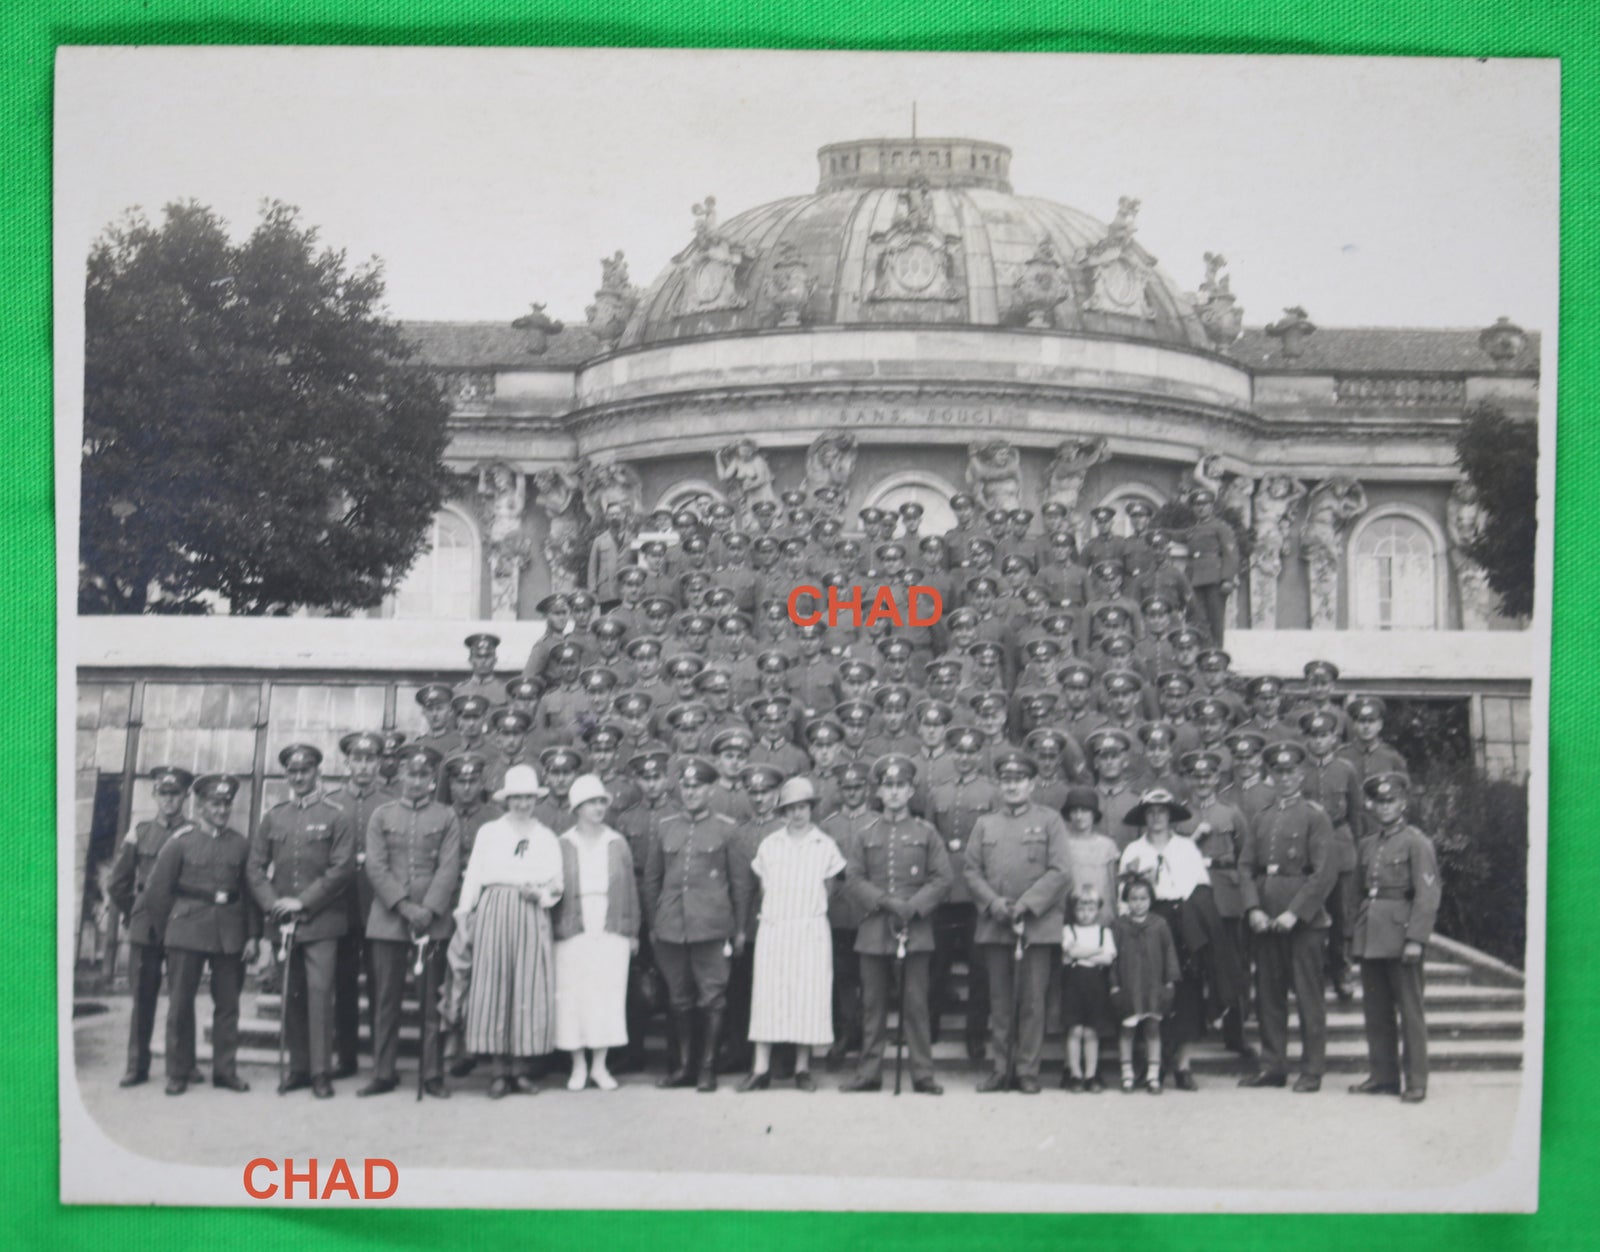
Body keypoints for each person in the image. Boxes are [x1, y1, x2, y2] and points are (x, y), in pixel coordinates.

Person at [136, 773, 259, 1096]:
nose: (221, 810)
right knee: (179, 1005)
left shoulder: (240, 844)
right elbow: (156, 892)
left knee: (228, 1006)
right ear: (200, 805)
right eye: (214, 804)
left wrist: (252, 936)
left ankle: (225, 1071)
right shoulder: (180, 842)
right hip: (186, 930)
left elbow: (250, 893)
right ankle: (177, 1072)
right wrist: (170, 930)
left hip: (229, 932)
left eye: (226, 804)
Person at [247, 744, 357, 1099]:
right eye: (292, 771)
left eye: (305, 770)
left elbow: (341, 869)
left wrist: (302, 901)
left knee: (320, 994)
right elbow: (255, 867)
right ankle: (298, 1068)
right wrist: (273, 903)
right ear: (286, 775)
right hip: (283, 921)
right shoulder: (274, 816)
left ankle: (321, 1072)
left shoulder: (337, 815)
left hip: (321, 921)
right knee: (291, 994)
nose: (298, 777)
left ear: (317, 772)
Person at [840, 754, 953, 1095]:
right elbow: (853, 878)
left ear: (910, 791)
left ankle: (922, 1073)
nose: (893, 793)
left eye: (900, 786)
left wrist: (913, 907)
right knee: (872, 1004)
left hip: (913, 927)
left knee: (915, 1003)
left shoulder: (926, 832)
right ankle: (869, 1072)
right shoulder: (865, 833)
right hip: (874, 927)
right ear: (878, 791)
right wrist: (885, 902)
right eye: (887, 786)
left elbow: (943, 878)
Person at [642, 756, 753, 1093]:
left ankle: (707, 1068)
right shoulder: (665, 827)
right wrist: (654, 924)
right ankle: (684, 1067)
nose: (691, 793)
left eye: (698, 786)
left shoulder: (726, 829)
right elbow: (652, 880)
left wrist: (740, 930)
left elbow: (741, 884)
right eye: (686, 786)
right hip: (672, 927)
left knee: (712, 998)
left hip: (712, 927)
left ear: (710, 789)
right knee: (679, 999)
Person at [964, 750, 1071, 1094]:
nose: (1012, 786)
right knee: (1000, 1000)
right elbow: (971, 870)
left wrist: (1026, 906)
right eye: (1006, 780)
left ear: (1032, 783)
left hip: (1035, 926)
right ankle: (1001, 1068)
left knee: (1032, 1001)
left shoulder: (1050, 820)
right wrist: (995, 904)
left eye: (1019, 780)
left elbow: (1060, 871)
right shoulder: (985, 824)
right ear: (999, 784)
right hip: (997, 923)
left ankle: (1027, 1070)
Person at [454, 763, 563, 1098]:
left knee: (527, 987)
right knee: (494, 987)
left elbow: (558, 884)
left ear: (535, 799)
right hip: (495, 908)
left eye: (528, 798)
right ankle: (498, 1071)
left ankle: (521, 1069)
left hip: (530, 912)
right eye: (516, 798)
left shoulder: (545, 836)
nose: (522, 804)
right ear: (506, 800)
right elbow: (473, 874)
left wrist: (541, 896)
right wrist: (463, 911)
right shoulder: (490, 832)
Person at [360, 746, 461, 1099]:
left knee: (430, 1001)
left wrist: (429, 910)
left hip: (431, 920)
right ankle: (383, 1071)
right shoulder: (381, 815)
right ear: (401, 774)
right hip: (389, 918)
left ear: (433, 779)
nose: (416, 781)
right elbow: (375, 865)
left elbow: (449, 868)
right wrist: (404, 907)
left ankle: (431, 1072)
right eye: (410, 774)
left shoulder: (447, 817)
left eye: (423, 775)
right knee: (385, 999)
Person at [1237, 741, 1338, 1092]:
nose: (1285, 778)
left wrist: (1296, 914)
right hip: (1265, 921)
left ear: (1301, 773)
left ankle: (1312, 1069)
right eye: (1278, 772)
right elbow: (1246, 866)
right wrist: (1253, 908)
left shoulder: (1315, 816)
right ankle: (1273, 1066)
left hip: (1303, 923)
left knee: (1308, 996)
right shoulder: (1262, 817)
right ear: (1270, 774)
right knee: (1268, 995)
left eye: (1291, 771)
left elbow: (1324, 872)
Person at [739, 778, 846, 1092]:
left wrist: (808, 912)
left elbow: (830, 887)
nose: (797, 814)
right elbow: (763, 886)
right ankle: (761, 1069)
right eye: (791, 808)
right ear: (782, 811)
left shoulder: (824, 845)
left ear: (811, 809)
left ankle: (802, 1068)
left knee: (807, 998)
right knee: (767, 997)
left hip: (810, 930)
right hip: (775, 929)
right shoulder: (771, 844)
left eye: (803, 807)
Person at [1349, 772, 1441, 1104]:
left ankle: (1416, 1080)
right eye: (1379, 801)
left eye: (1391, 801)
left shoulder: (1417, 842)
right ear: (1371, 805)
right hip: (1372, 934)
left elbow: (1427, 895)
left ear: (1403, 803)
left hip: (1402, 935)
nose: (1385, 807)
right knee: (1376, 1011)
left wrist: (1416, 938)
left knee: (1410, 1011)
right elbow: (1361, 891)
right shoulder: (1368, 844)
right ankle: (1384, 1076)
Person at [106, 765, 195, 1088]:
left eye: (176, 794)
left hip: (182, 924)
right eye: (164, 793)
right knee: (143, 998)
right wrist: (136, 912)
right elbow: (117, 883)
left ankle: (181, 1067)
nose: (170, 800)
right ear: (156, 795)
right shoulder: (140, 832)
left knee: (181, 999)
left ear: (186, 796)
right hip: (146, 929)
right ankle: (136, 1066)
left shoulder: (193, 833)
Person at [1118, 787, 1213, 1091]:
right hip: (1147, 919)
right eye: (1151, 812)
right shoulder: (1134, 850)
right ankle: (1153, 1066)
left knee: (1185, 988)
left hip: (1183, 917)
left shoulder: (1186, 847)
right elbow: (1124, 897)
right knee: (1149, 988)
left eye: (1162, 812)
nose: (1157, 817)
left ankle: (1183, 1065)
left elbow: (1201, 886)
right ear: (1144, 816)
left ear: (1171, 816)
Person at [554, 774, 640, 1092]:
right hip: (573, 927)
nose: (598, 807)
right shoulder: (563, 843)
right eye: (591, 802)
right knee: (573, 996)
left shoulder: (617, 843)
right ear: (577, 807)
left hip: (610, 925)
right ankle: (578, 1066)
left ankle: (600, 1066)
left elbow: (630, 888)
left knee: (607, 996)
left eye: (602, 801)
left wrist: (631, 931)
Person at [327, 731, 393, 1078]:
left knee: (382, 988)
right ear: (347, 762)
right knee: (344, 985)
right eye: (358, 759)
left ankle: (383, 1063)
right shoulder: (333, 802)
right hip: (342, 906)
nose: (364, 765)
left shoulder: (390, 802)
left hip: (380, 907)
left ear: (379, 762)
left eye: (370, 759)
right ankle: (346, 1058)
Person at [1110, 876, 1179, 1094]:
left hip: (1152, 986)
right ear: (1126, 901)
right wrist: (1114, 984)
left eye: (1143, 898)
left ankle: (1152, 1075)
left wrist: (1169, 981)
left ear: (1150, 900)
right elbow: (1112, 957)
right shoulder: (1119, 925)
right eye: (1133, 899)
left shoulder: (1159, 924)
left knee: (1152, 1028)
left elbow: (1169, 953)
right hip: (1129, 985)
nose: (1138, 903)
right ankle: (1127, 1074)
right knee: (1127, 1029)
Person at [1059, 885, 1117, 1092]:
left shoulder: (1104, 932)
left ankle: (1092, 1074)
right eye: (1081, 909)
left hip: (1096, 986)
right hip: (1074, 985)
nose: (1085, 914)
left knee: (1092, 1031)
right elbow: (1069, 951)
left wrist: (1080, 953)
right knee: (1075, 1030)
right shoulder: (1068, 930)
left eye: (1090, 909)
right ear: (1074, 910)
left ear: (1098, 910)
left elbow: (1108, 957)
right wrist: (1095, 951)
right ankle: (1075, 1074)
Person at [1181, 487, 1239, 645]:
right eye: (1197, 504)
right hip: (1194, 578)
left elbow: (1230, 553)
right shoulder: (1193, 530)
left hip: (1214, 579)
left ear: (1211, 506)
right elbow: (1177, 535)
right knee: (1197, 618)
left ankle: (1216, 657)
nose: (1201, 508)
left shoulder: (1221, 527)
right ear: (1193, 508)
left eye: (1205, 504)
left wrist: (1227, 578)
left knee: (1215, 621)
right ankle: (1200, 655)